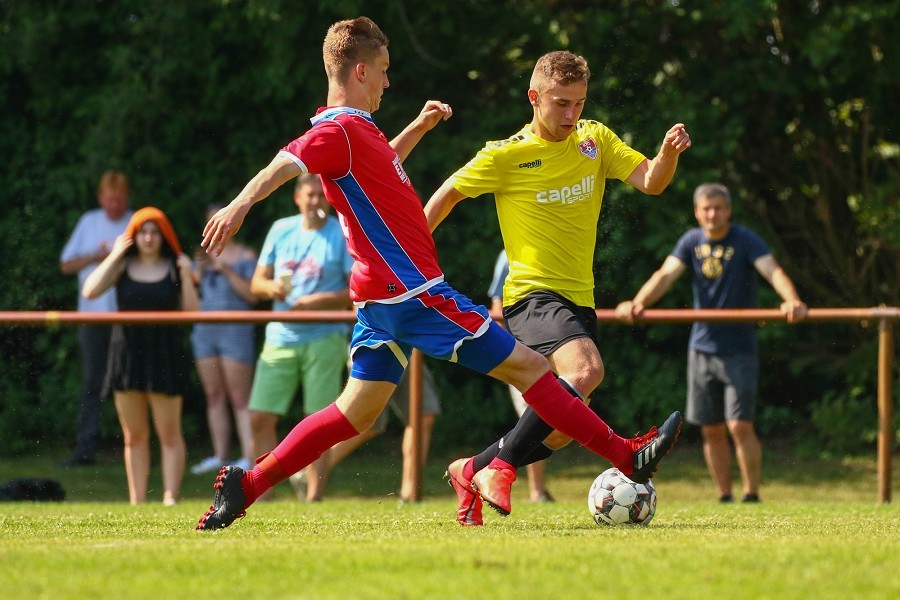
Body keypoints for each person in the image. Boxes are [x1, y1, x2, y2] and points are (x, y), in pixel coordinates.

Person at [196, 17, 680, 531]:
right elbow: (289, 159)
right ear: (360, 70)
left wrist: (417, 129)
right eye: (382, 71)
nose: (387, 82)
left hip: (378, 299)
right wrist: (239, 205)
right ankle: (627, 457)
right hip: (411, 291)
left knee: (354, 414)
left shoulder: (358, 133)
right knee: (536, 374)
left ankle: (246, 485)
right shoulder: (336, 129)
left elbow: (380, 167)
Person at [424, 50, 691, 523]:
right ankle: (502, 468)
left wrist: (666, 155)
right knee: (586, 370)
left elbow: (650, 181)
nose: (572, 115)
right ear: (534, 97)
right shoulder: (505, 155)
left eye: (579, 103)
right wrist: (408, 262)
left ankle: (472, 467)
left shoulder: (595, 140)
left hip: (578, 299)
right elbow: (442, 198)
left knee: (564, 428)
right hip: (531, 295)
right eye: (561, 103)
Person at [615, 182, 808, 503]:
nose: (712, 214)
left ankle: (751, 494)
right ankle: (724, 496)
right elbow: (665, 275)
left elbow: (773, 272)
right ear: (697, 212)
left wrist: (792, 300)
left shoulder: (745, 240)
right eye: (706, 208)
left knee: (739, 425)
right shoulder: (691, 241)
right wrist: (637, 303)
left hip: (739, 348)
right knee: (711, 428)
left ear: (728, 211)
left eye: (718, 208)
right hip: (702, 347)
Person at [246, 173, 353, 502]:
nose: (314, 202)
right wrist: (272, 288)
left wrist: (316, 301)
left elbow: (355, 290)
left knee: (318, 423)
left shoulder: (340, 232)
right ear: (297, 198)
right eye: (308, 195)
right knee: (260, 417)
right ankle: (260, 492)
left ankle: (314, 497)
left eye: (320, 196)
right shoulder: (281, 229)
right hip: (281, 336)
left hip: (325, 336)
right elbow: (255, 284)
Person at [82, 207, 200, 505]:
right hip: (127, 355)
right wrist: (114, 254)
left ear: (163, 236)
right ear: (134, 236)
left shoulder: (175, 267)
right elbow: (90, 291)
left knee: (169, 433)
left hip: (165, 354)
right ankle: (137, 501)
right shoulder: (122, 265)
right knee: (134, 435)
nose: (148, 238)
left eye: (154, 232)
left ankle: (170, 497)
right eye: (143, 232)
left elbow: (193, 313)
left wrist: (186, 275)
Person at [59, 171, 134, 467]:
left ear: (126, 198)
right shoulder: (89, 222)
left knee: (129, 384)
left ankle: (134, 446)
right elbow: (66, 264)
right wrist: (97, 256)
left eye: (119, 199)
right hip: (91, 318)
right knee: (92, 383)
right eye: (109, 199)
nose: (114, 205)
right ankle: (86, 449)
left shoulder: (134, 222)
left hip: (126, 318)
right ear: (101, 198)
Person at [289, 359, 442, 503]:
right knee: (365, 422)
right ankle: (309, 473)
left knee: (423, 415)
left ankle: (409, 495)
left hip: (409, 349)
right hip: (375, 345)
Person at [189, 203, 259, 475]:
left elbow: (253, 296)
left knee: (240, 397)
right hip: (205, 332)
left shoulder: (246, 255)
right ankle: (219, 456)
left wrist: (227, 270)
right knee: (213, 395)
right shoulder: (202, 259)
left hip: (236, 331)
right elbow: (192, 298)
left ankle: (248, 457)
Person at [487, 250, 552, 503]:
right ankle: (535, 490)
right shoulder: (507, 255)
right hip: (524, 352)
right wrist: (507, 353)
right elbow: (496, 303)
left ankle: (484, 471)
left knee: (548, 419)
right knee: (534, 416)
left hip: (551, 348)